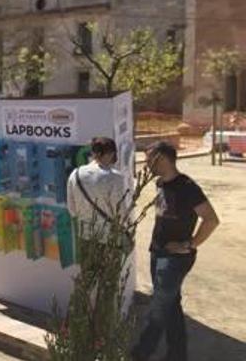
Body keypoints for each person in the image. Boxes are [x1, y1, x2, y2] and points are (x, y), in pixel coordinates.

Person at [131, 142, 220, 361]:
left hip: (176, 258)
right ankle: (178, 354)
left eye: (149, 157)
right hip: (158, 252)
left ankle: (141, 352)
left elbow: (211, 219)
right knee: (171, 304)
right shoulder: (160, 183)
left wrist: (189, 244)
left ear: (163, 157)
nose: (146, 162)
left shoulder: (187, 186)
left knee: (159, 307)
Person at [66, 137, 127, 237]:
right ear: (111, 154)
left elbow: (72, 210)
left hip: (84, 233)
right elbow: (120, 212)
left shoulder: (75, 174)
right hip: (108, 236)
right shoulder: (115, 178)